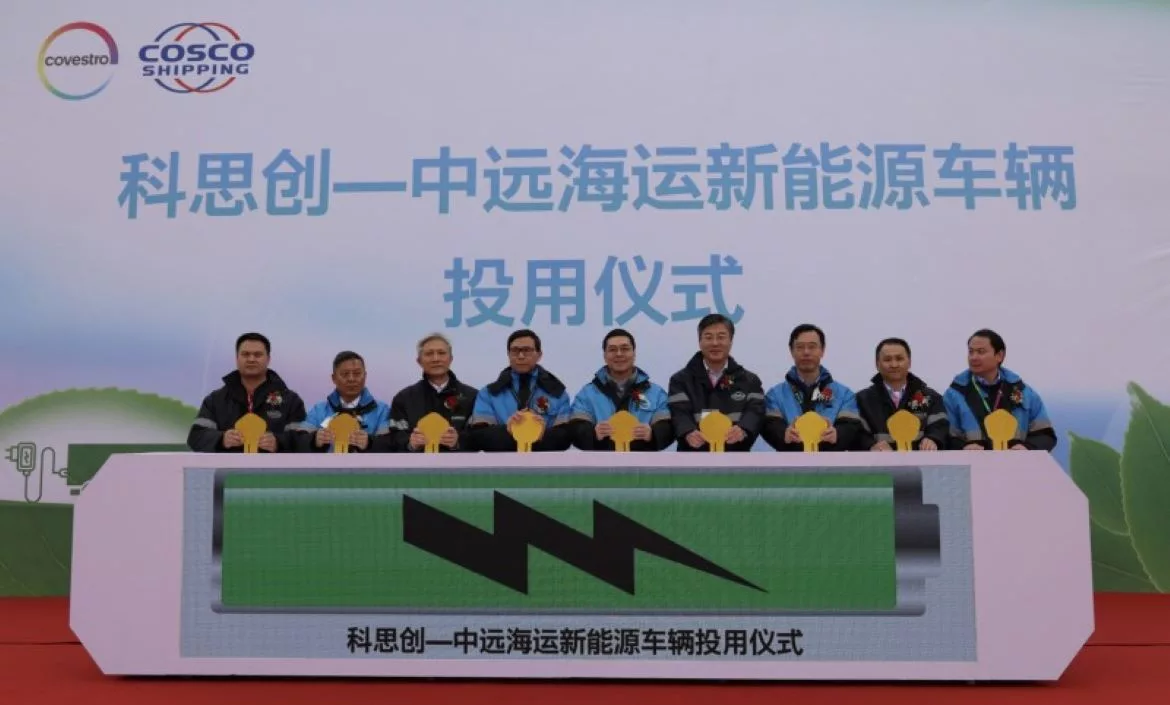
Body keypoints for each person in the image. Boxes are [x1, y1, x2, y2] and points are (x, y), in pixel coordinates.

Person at [187, 332, 307, 453]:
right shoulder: (215, 400)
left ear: (268, 359)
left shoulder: (291, 401)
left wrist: (278, 442)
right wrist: (222, 439)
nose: (251, 359)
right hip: (228, 466)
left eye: (258, 355)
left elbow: (302, 440)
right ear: (236, 358)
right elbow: (195, 437)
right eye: (245, 354)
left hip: (273, 466)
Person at [943, 329, 1057, 451]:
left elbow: (1045, 435)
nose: (973, 357)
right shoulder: (955, 394)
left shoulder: (1024, 393)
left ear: (999, 355)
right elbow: (946, 436)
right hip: (973, 462)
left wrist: (1027, 447)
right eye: (971, 352)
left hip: (1016, 462)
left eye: (981, 352)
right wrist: (963, 447)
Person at [667, 314, 766, 452]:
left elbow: (755, 412)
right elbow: (679, 413)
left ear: (731, 341)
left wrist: (743, 429)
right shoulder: (680, 380)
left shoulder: (750, 380)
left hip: (735, 457)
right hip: (692, 458)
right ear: (699, 342)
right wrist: (688, 432)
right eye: (708, 337)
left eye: (721, 337)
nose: (715, 343)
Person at [468, 329, 573, 452]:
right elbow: (478, 437)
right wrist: (508, 431)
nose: (521, 356)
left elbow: (565, 438)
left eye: (527, 350)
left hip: (544, 463)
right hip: (501, 463)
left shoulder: (557, 393)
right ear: (508, 354)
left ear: (539, 355)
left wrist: (541, 434)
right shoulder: (489, 394)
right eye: (515, 351)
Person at [761, 324, 861, 452]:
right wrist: (783, 435)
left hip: (831, 463)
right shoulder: (775, 395)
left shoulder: (845, 395)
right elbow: (769, 426)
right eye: (800, 347)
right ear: (791, 351)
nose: (806, 352)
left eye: (812, 347)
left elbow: (851, 427)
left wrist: (838, 435)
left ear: (822, 350)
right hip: (790, 462)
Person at [569, 328, 673, 451]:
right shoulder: (587, 394)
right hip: (600, 462)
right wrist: (593, 434)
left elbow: (669, 427)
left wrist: (653, 434)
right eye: (612, 350)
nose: (619, 354)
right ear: (605, 356)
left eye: (625, 349)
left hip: (643, 461)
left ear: (634, 353)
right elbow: (575, 429)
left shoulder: (656, 393)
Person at [375, 333, 478, 452]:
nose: (436, 359)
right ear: (419, 361)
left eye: (441, 353)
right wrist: (410, 443)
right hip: (415, 463)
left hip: (460, 463)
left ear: (451, 359)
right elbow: (393, 437)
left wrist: (458, 442)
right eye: (429, 354)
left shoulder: (472, 396)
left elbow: (479, 436)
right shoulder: (403, 398)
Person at [855, 338, 949, 452]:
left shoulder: (929, 397)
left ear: (909, 362)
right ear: (877, 364)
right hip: (879, 462)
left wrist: (933, 439)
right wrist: (870, 445)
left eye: (899, 359)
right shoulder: (862, 400)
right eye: (887, 359)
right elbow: (857, 432)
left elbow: (940, 425)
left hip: (921, 463)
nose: (894, 364)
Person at [296, 351, 390, 453]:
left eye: (357, 373)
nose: (351, 379)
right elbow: (298, 442)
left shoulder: (382, 411)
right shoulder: (318, 410)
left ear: (365, 376)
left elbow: (391, 445)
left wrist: (370, 443)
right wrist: (314, 440)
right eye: (345, 374)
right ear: (334, 378)